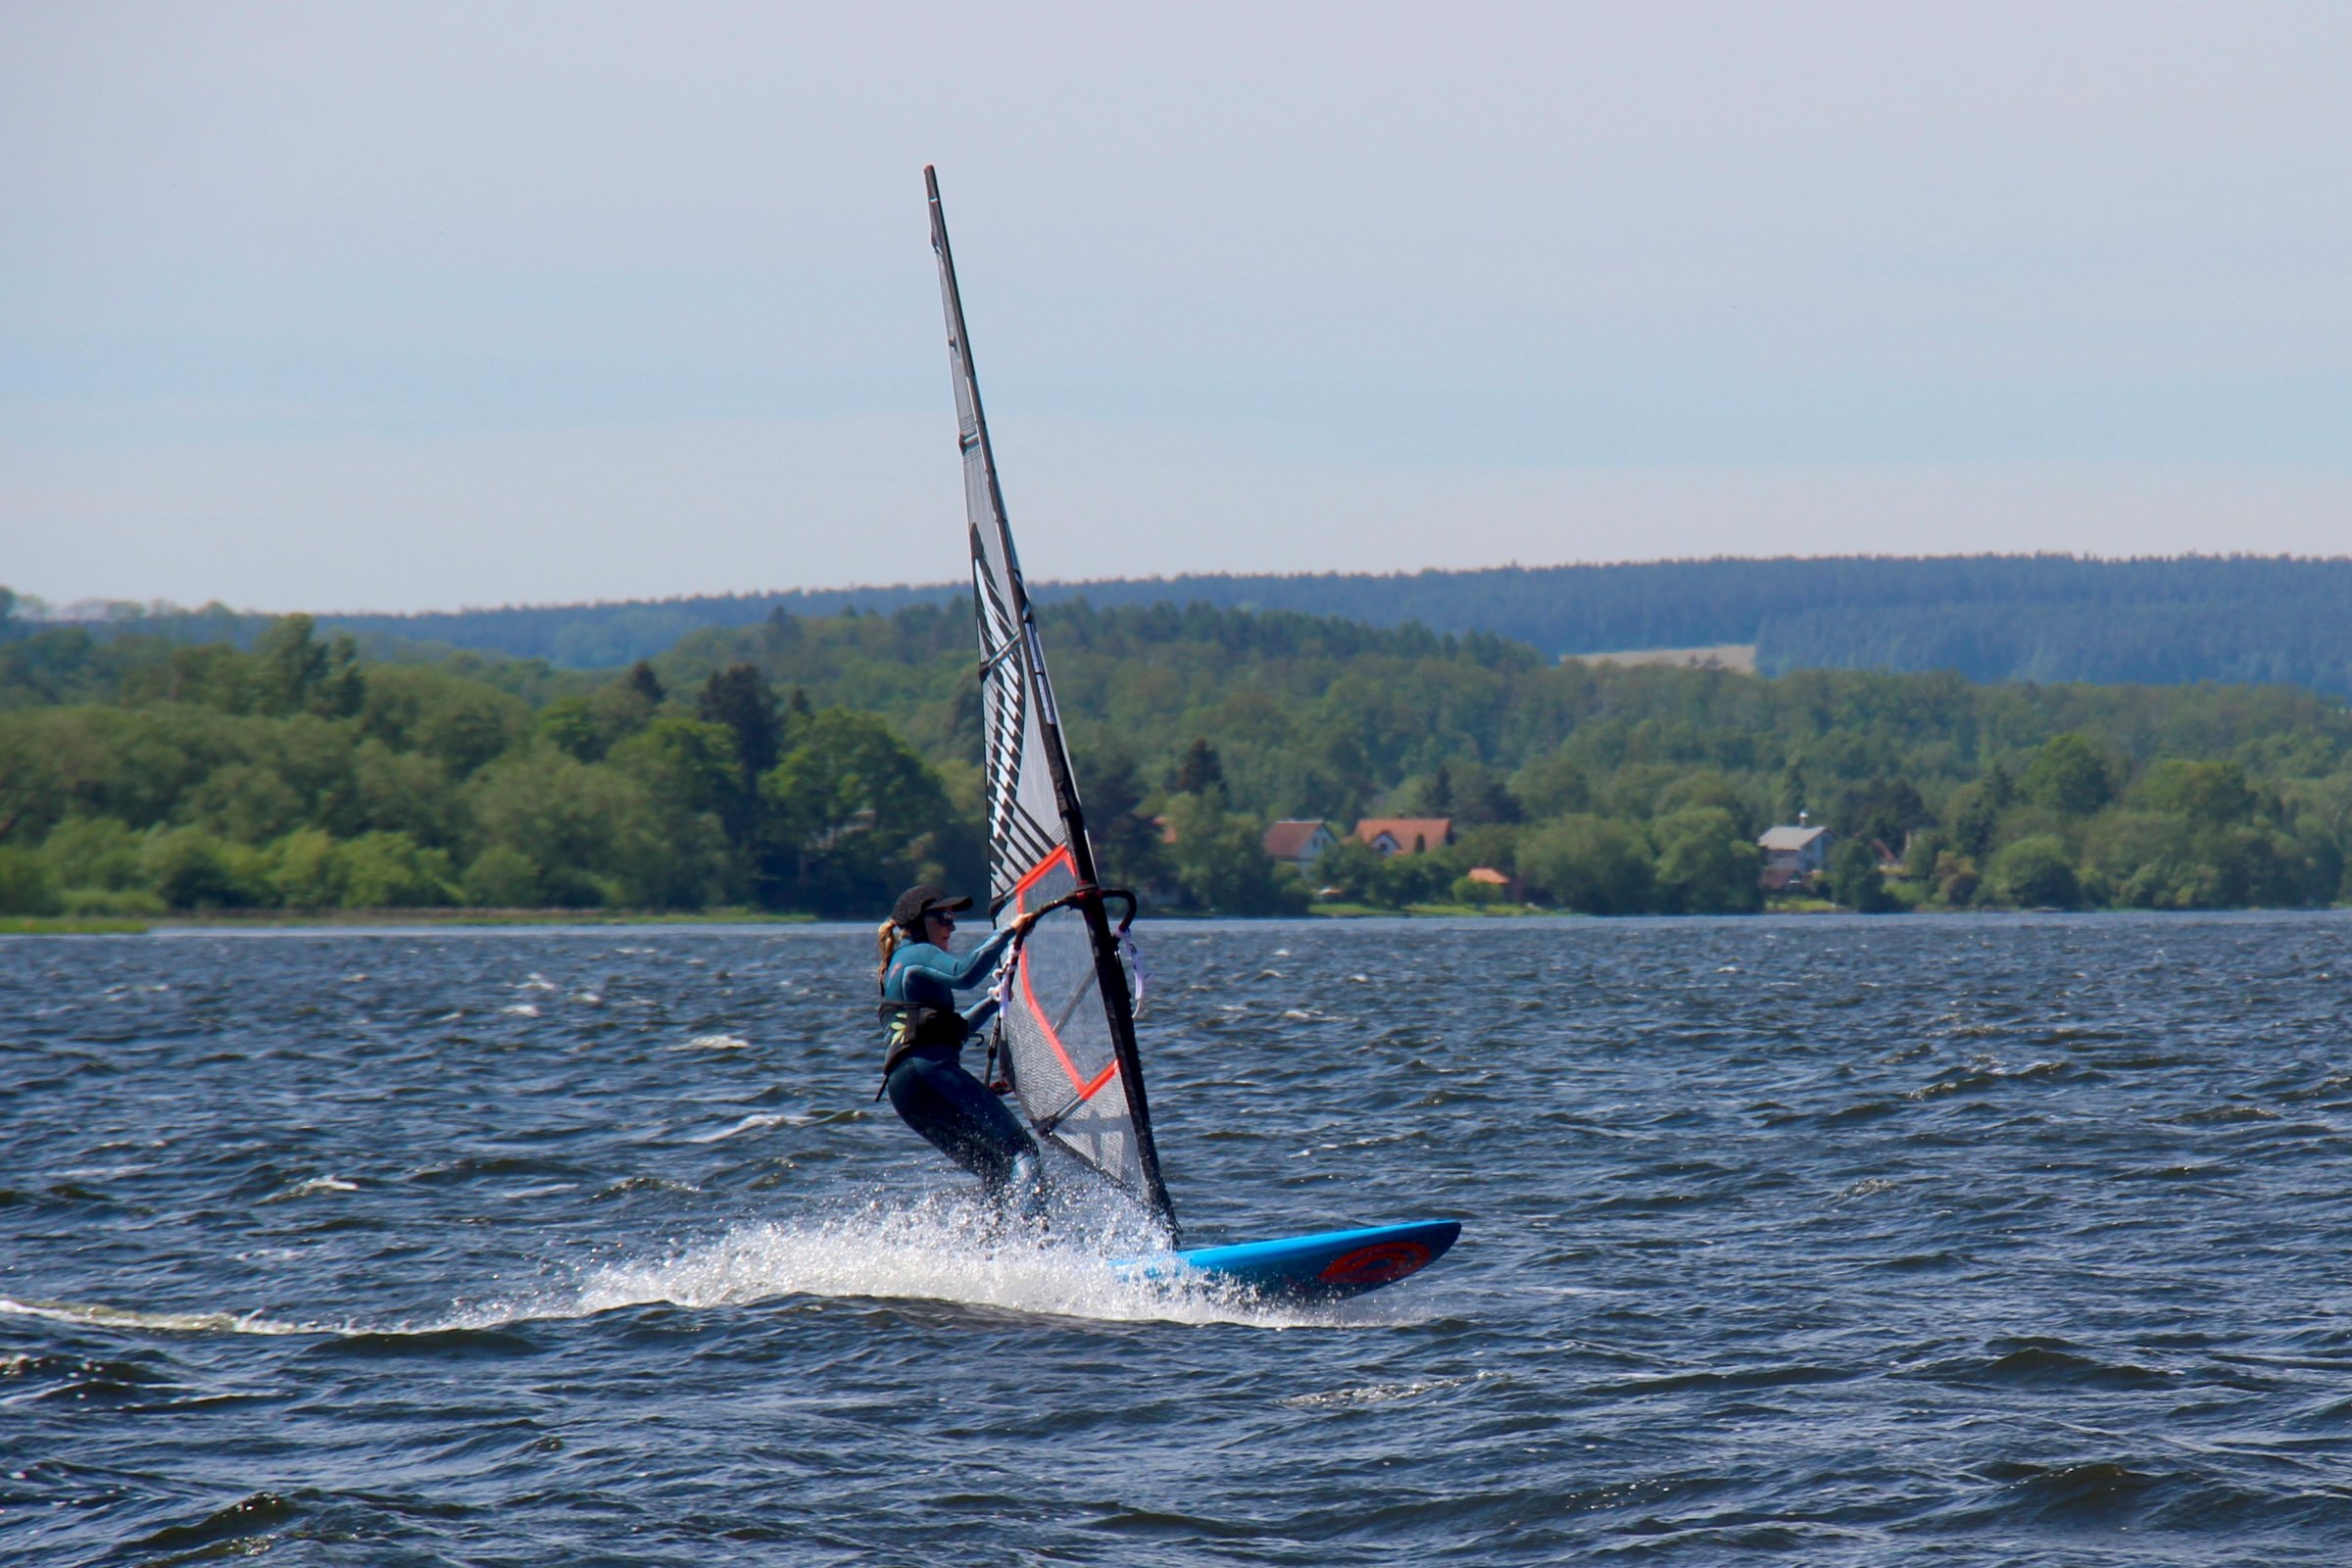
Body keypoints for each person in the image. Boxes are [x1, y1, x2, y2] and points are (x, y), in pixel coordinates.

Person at [876, 883, 1047, 1220]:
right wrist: (1008, 932)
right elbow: (964, 973)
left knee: (995, 1167)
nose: (951, 926)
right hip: (930, 1072)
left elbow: (955, 1030)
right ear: (919, 922)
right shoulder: (916, 953)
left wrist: (995, 1000)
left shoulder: (898, 965)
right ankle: (1034, 1247)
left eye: (952, 918)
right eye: (943, 917)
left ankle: (993, 1252)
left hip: (907, 1090)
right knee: (1021, 1152)